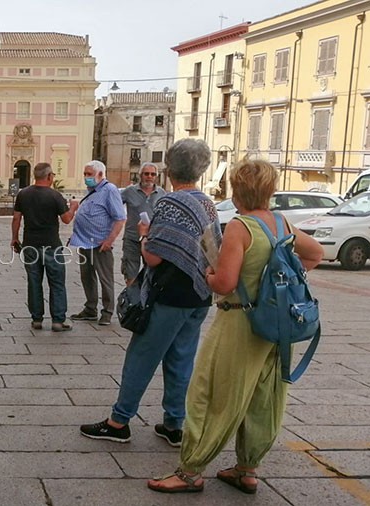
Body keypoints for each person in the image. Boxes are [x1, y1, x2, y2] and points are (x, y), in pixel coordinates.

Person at [148, 160, 323, 494]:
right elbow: (314, 253)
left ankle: (190, 472)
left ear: (236, 189)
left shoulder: (240, 227)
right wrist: (275, 280)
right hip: (275, 325)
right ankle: (247, 469)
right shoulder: (281, 221)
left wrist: (208, 273)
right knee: (264, 397)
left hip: (240, 322)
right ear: (270, 190)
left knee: (210, 393)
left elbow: (224, 283)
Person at [80, 139, 220, 446]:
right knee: (181, 360)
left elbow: (154, 256)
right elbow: (213, 249)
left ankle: (119, 422)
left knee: (141, 358)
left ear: (169, 169)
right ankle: (174, 424)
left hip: (167, 296)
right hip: (198, 297)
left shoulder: (170, 203)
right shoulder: (208, 203)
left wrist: (144, 237)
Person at [11, 162, 78, 331]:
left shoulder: (23, 194)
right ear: (49, 176)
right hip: (52, 246)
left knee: (34, 282)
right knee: (57, 282)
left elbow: (16, 219)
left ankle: (37, 319)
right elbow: (66, 219)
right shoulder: (55, 196)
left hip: (30, 245)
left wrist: (14, 238)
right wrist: (73, 208)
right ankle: (57, 320)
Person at [68, 160, 126, 326]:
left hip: (100, 245)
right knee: (87, 277)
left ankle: (107, 312)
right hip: (84, 242)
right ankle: (90, 309)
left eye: (90, 174)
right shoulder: (91, 191)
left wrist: (109, 240)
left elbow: (120, 218)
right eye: (85, 174)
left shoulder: (109, 190)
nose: (87, 177)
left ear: (101, 175)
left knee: (105, 279)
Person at [120, 163, 166, 285]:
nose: (149, 176)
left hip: (152, 240)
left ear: (156, 176)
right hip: (132, 239)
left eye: (152, 174)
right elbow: (115, 206)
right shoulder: (129, 191)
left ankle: (146, 302)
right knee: (130, 274)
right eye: (146, 173)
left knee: (151, 275)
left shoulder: (162, 194)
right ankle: (132, 301)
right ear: (141, 175)